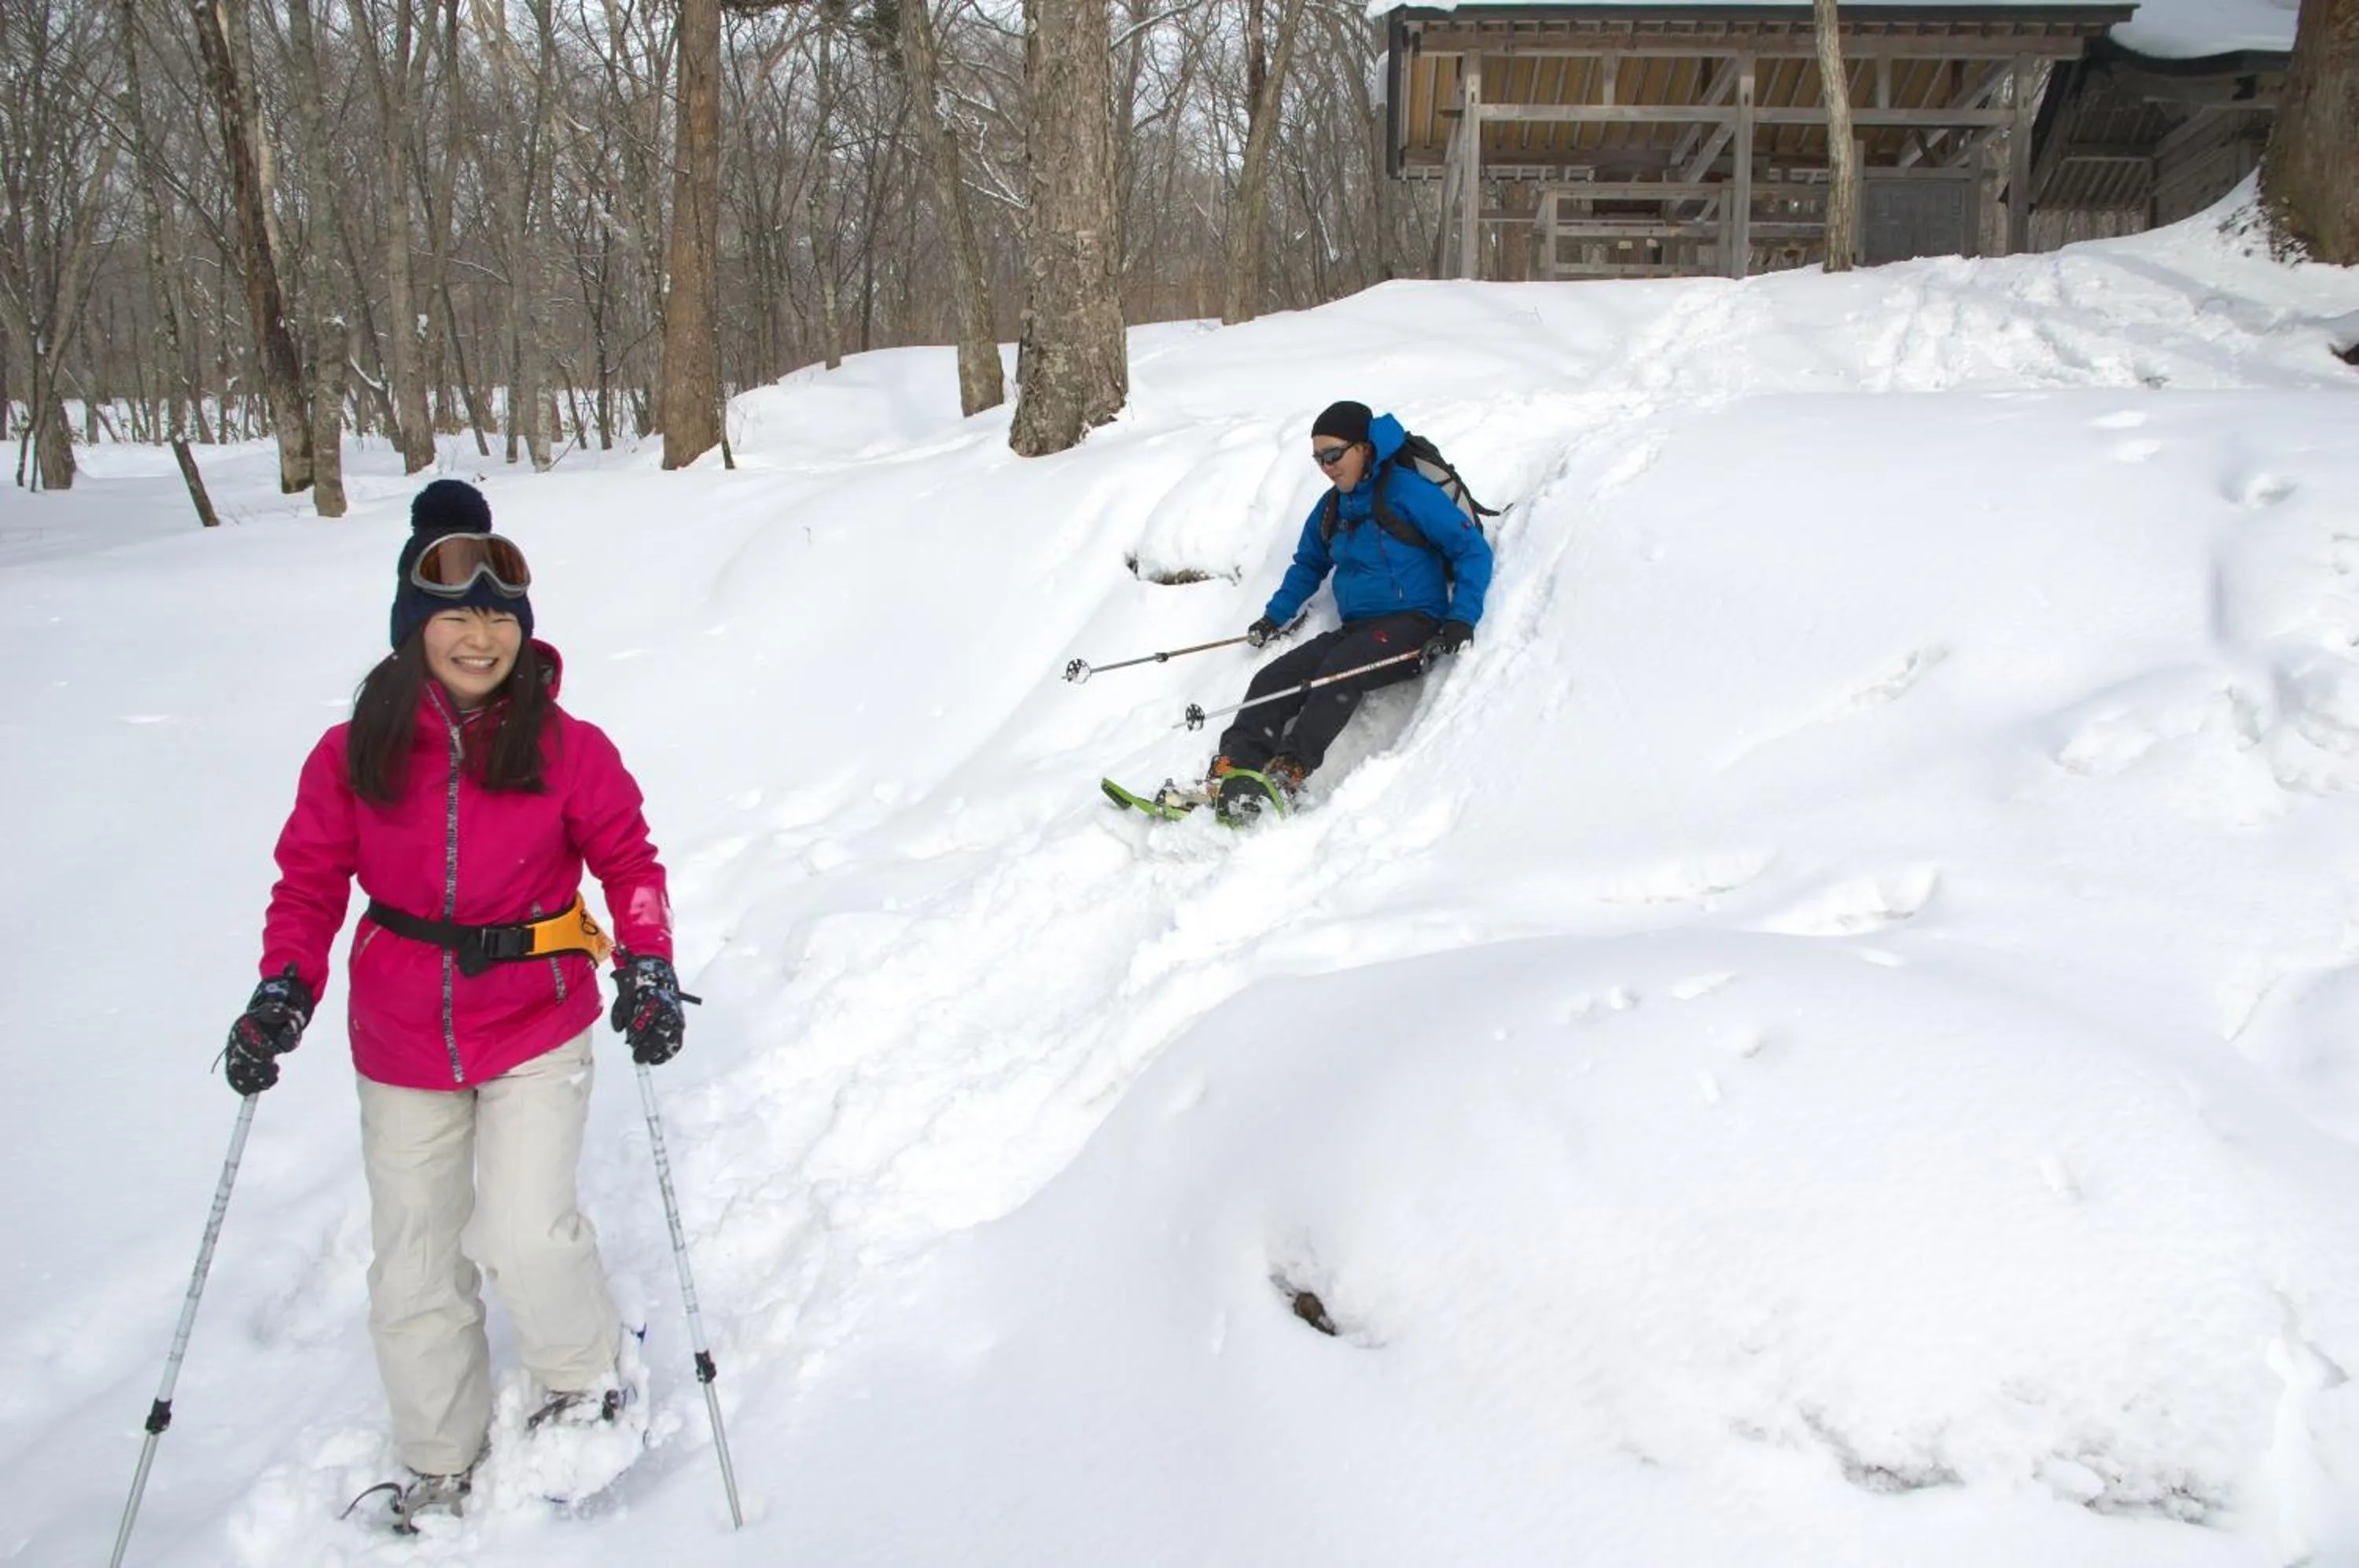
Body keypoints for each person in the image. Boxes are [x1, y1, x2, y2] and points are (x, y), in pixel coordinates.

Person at [219, 478, 691, 1526]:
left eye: (498, 615)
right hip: (399, 1037)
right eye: (454, 613)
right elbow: (306, 883)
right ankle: (440, 1457)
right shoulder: (353, 754)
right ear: (411, 627)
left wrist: (647, 960)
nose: (479, 635)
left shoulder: (570, 746)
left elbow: (629, 859)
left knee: (523, 1231)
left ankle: (581, 1378)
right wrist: (282, 988)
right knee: (414, 1269)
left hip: (535, 1017)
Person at [1205, 400, 1493, 815]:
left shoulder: (1408, 492)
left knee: (1341, 669)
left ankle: (1287, 774)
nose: (1326, 466)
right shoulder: (1332, 507)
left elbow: (1471, 549)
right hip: (1358, 630)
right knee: (1276, 676)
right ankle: (1232, 771)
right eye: (1319, 459)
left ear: (1364, 448)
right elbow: (1309, 564)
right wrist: (1274, 616)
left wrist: (1461, 619)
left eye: (1334, 454)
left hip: (1414, 623)